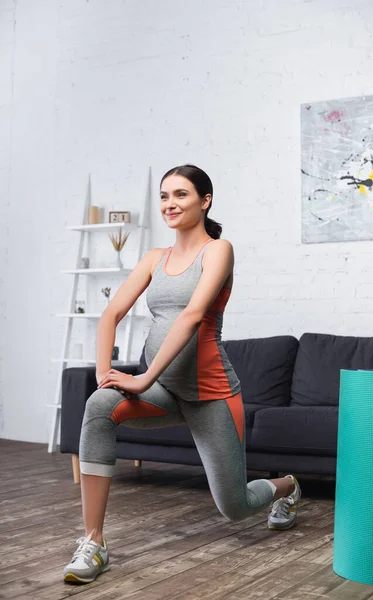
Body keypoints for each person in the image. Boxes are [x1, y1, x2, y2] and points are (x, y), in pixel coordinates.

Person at [63, 164, 301, 584]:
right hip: (162, 392)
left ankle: (287, 486)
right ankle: (94, 542)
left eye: (181, 195)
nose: (169, 204)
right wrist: (106, 373)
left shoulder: (219, 250)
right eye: (164, 196)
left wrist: (140, 379)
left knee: (236, 505)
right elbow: (111, 314)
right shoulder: (155, 258)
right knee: (99, 405)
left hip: (211, 396)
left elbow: (192, 316)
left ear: (205, 201)